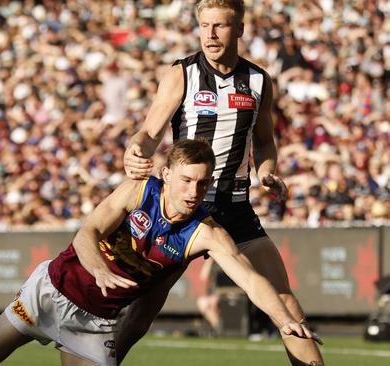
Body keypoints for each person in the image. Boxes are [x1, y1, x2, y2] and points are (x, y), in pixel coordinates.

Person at [0, 139, 318, 366]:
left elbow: (250, 279)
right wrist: (98, 268)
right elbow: (88, 232)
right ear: (167, 174)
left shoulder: (206, 232)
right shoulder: (138, 190)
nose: (193, 192)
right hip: (50, 292)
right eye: (186, 180)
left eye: (202, 184)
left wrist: (284, 319)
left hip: (97, 322)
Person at [121, 1, 324, 365]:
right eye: (204, 25)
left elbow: (264, 142)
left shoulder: (259, 80)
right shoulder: (182, 73)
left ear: (240, 29)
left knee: (285, 302)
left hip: (234, 205)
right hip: (183, 206)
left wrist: (266, 172)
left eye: (220, 26)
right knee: (141, 314)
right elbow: (150, 132)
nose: (211, 34)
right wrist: (135, 149)